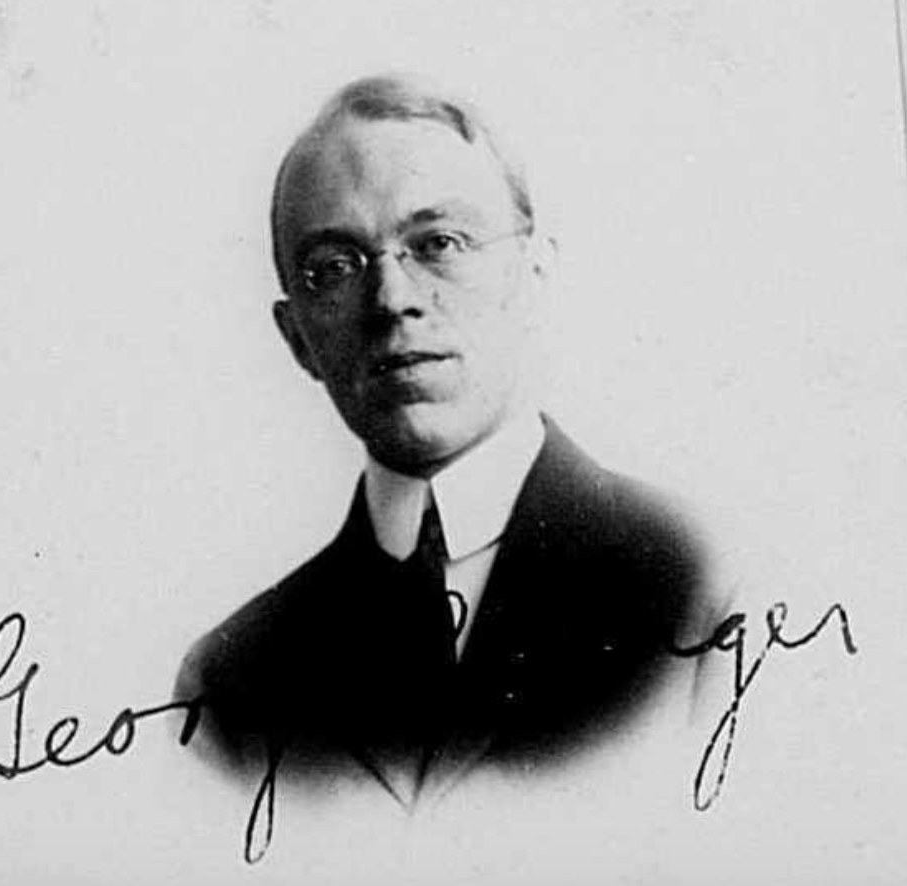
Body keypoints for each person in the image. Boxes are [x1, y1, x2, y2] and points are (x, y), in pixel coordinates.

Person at [176, 73, 724, 805]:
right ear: (296, 337)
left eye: (439, 243)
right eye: (334, 268)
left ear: (533, 274)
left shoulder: (702, 584)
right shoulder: (229, 684)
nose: (392, 300)